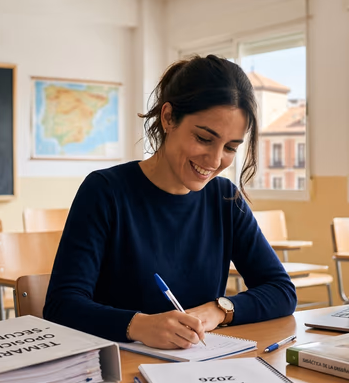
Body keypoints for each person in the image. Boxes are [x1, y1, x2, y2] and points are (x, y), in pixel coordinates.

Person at [43, 55, 296, 349]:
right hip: (120, 363)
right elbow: (62, 305)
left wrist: (218, 310)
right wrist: (138, 326)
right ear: (168, 118)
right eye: (204, 138)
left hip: (199, 364)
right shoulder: (105, 191)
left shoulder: (225, 198)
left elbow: (281, 291)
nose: (215, 160)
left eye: (230, 147)